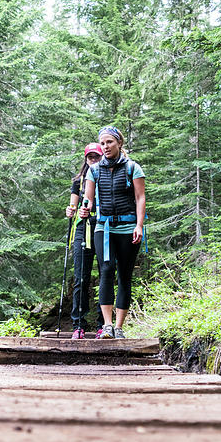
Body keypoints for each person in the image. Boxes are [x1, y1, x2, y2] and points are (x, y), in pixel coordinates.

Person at [78, 126, 145, 339]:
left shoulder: (133, 168)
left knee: (125, 275)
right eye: (103, 143)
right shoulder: (94, 170)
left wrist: (139, 225)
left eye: (110, 142)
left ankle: (119, 327)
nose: (106, 147)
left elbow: (140, 198)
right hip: (103, 227)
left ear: (119, 143)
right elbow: (88, 197)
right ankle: (107, 325)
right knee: (106, 270)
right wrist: (85, 208)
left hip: (127, 227)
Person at [65, 143, 105, 339]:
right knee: (81, 276)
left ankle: (103, 324)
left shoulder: (106, 176)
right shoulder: (78, 181)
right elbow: (73, 204)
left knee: (104, 274)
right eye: (90, 157)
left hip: (103, 225)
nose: (93, 160)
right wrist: (70, 210)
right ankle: (78, 325)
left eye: (96, 156)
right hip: (83, 227)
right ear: (85, 158)